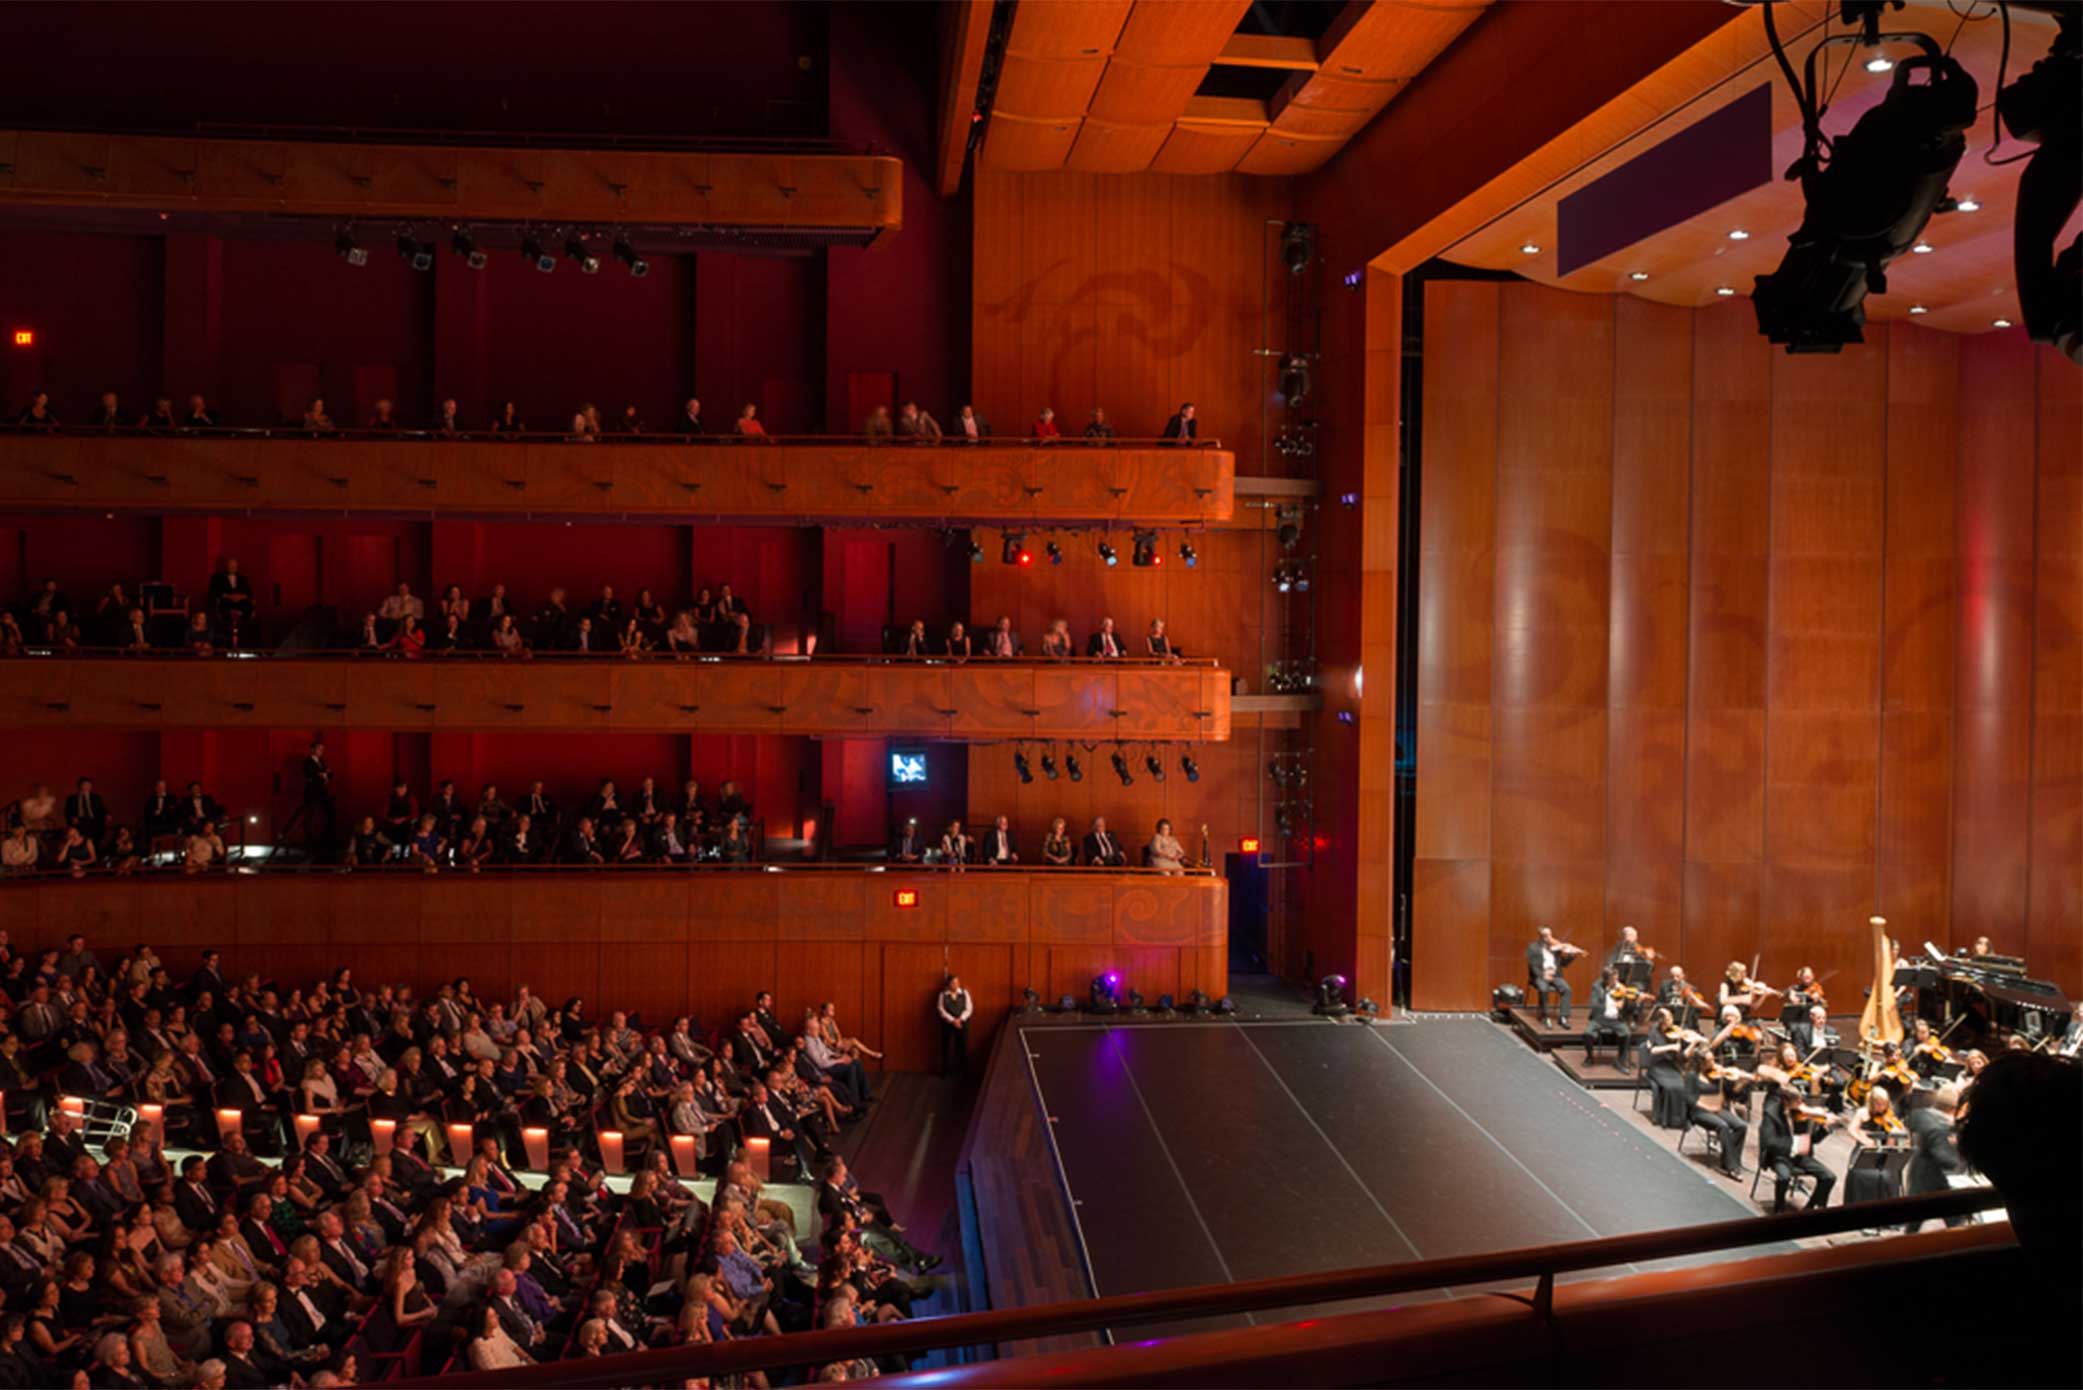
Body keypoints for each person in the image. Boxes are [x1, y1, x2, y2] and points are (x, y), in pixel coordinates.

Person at [1525, 925, 1584, 1026]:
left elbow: (1564, 964)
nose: (1549, 938)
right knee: (1544, 989)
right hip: (1540, 976)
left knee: (1567, 989)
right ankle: (1545, 1016)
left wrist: (1572, 955)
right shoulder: (1533, 947)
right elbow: (1533, 966)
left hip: (1555, 975)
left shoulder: (1556, 948)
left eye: (1550, 935)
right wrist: (1544, 975)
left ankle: (1563, 1017)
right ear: (1540, 936)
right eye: (1546, 935)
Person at [1583, 967, 1631, 1070]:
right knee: (1587, 1033)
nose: (1615, 982)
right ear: (1606, 980)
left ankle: (1621, 1060)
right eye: (1612, 980)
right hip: (1600, 1018)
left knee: (1626, 1034)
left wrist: (1625, 1002)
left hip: (1616, 1019)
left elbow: (1629, 1007)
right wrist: (1609, 996)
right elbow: (1594, 1005)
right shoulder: (1597, 987)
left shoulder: (1621, 988)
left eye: (1616, 979)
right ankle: (1589, 1057)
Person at [936, 976, 972, 1077]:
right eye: (953, 983)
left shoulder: (964, 993)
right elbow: (941, 1009)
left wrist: (960, 1019)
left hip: (962, 1023)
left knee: (962, 1047)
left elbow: (969, 1008)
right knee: (946, 1046)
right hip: (947, 1024)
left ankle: (962, 1071)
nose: (956, 985)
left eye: (957, 982)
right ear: (948, 985)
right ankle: (946, 1071)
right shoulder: (943, 995)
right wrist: (953, 1020)